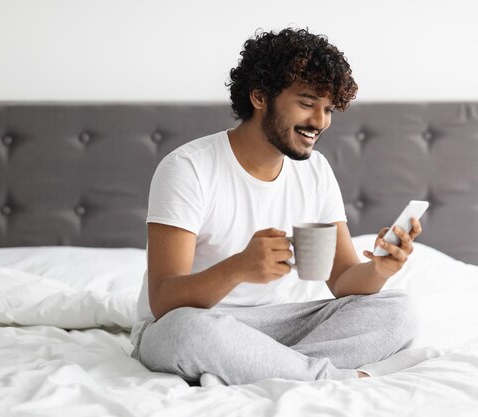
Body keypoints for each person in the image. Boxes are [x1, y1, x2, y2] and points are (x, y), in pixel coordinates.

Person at [130, 27, 421, 386]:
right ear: (259, 96)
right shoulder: (189, 168)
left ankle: (266, 368)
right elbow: (163, 301)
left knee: (399, 310)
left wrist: (380, 269)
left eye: (328, 108)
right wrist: (238, 268)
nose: (320, 122)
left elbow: (344, 279)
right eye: (307, 102)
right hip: (197, 320)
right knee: (187, 332)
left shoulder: (316, 170)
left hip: (284, 324)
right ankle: (335, 377)